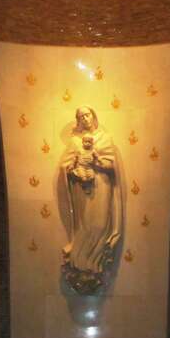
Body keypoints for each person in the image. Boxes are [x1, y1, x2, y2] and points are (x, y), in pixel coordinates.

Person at [60, 106, 122, 294]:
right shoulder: (74, 142)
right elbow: (66, 165)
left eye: (87, 115)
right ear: (77, 120)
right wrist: (74, 171)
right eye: (80, 116)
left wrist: (97, 163)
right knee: (84, 224)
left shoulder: (105, 138)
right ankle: (80, 263)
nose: (84, 119)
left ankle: (97, 263)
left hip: (102, 186)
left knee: (100, 224)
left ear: (93, 116)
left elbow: (112, 165)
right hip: (82, 189)